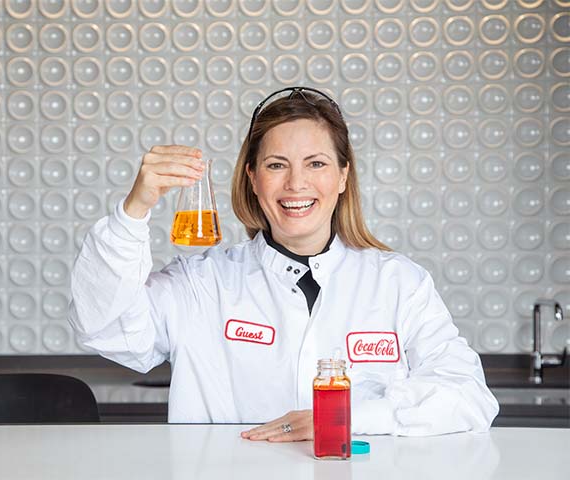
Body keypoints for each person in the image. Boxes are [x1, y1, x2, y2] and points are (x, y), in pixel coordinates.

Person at [68, 87, 499, 440]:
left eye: (316, 163)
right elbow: (105, 328)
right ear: (252, 177)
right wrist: (133, 211)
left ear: (343, 177)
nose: (296, 183)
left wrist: (347, 419)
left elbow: (467, 395)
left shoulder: (398, 282)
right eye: (277, 165)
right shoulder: (202, 283)